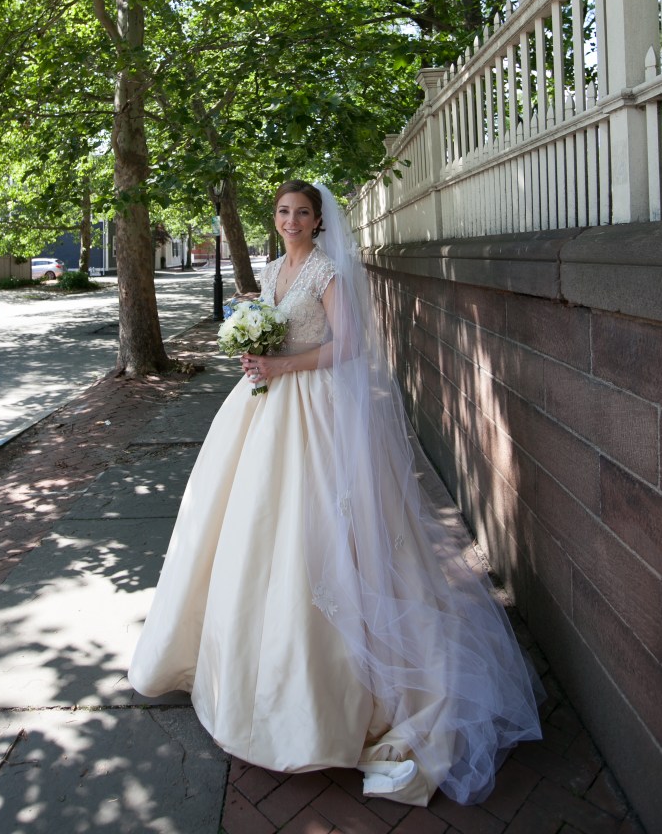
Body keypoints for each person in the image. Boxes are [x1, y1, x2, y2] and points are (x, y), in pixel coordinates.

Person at [128, 180, 542, 807]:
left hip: (310, 409)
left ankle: (336, 705)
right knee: (243, 528)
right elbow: (266, 329)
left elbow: (347, 346)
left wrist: (280, 366)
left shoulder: (326, 272)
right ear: (275, 218)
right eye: (283, 212)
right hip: (261, 409)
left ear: (319, 223)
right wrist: (252, 354)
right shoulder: (271, 269)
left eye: (302, 214)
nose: (291, 220)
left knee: (312, 530)